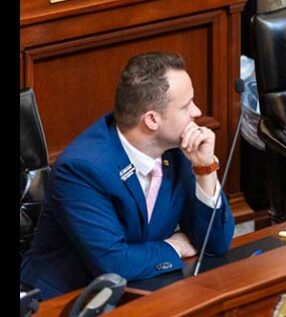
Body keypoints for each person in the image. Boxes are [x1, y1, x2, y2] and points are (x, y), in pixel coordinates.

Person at [21, 52, 234, 299]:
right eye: (186, 106)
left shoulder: (178, 151)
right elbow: (115, 264)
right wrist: (172, 247)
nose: (197, 112)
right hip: (68, 301)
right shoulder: (82, 168)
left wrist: (204, 168)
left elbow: (215, 243)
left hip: (142, 290)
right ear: (152, 119)